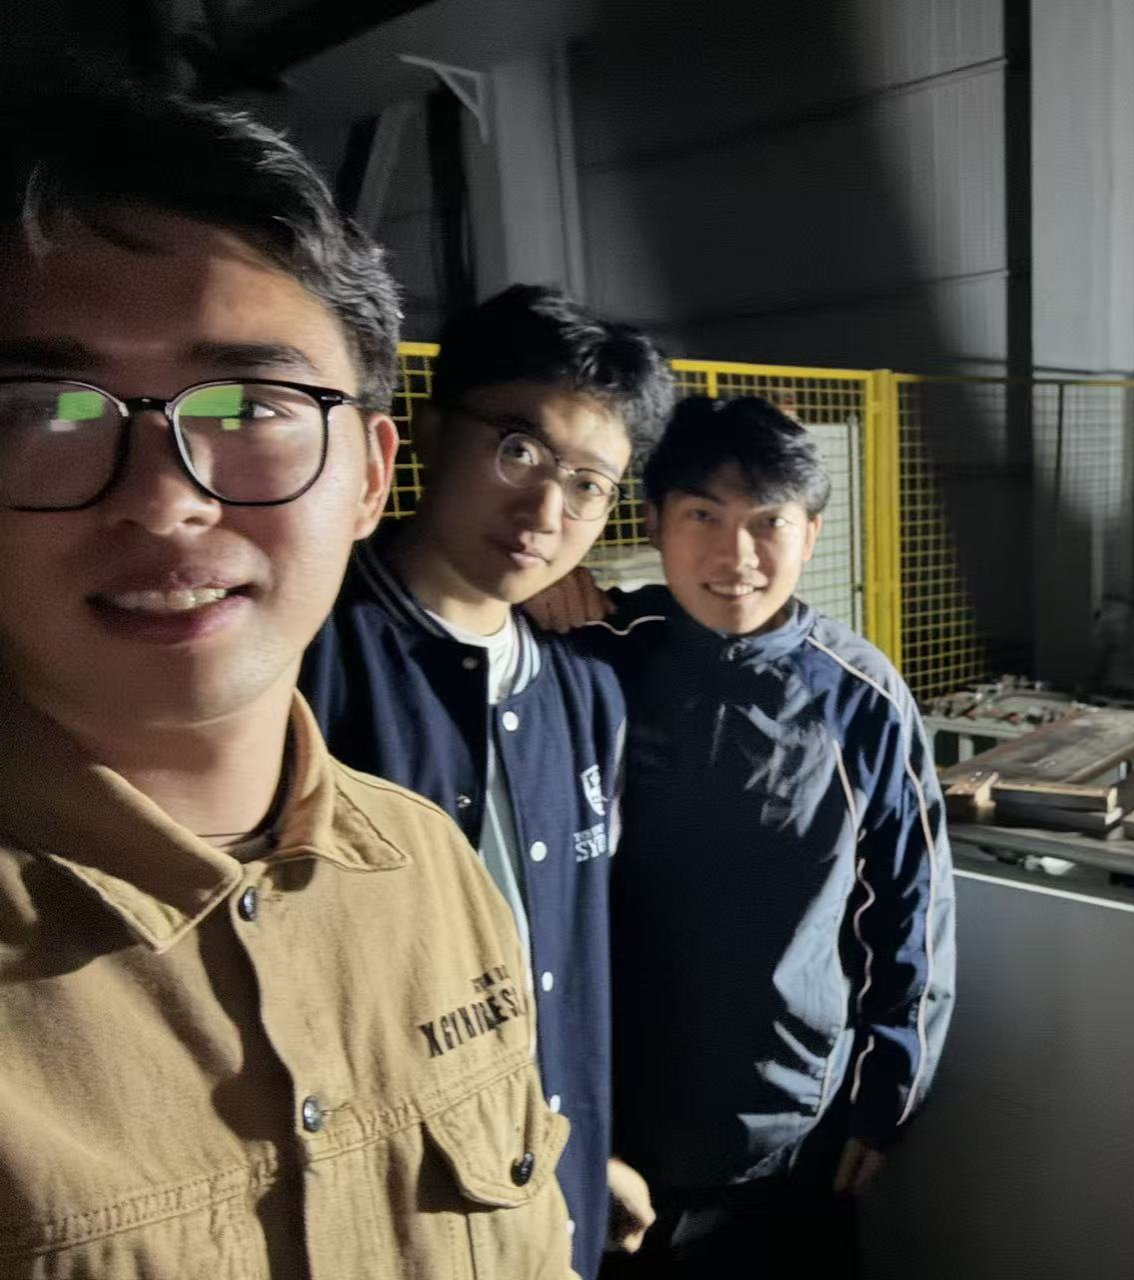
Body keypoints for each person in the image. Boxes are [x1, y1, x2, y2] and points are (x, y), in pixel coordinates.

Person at [0, 82, 577, 1277]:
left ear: (368, 475)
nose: (165, 499)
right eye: (50, 408)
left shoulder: (434, 871)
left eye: (248, 404)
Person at [532, 396, 957, 1278]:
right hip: (610, 1123)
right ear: (653, 522)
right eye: (703, 517)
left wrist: (888, 1096)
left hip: (794, 1125)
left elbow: (911, 907)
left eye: (769, 521)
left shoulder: (861, 696)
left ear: (811, 534)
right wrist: (521, 591)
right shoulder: (590, 656)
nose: (737, 557)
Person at [300, 284, 675, 1276]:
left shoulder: (585, 692)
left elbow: (565, 959)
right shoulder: (310, 663)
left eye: (588, 484)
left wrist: (585, 1150)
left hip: (548, 1188)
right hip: (384, 1218)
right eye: (518, 449)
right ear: (426, 433)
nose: (546, 511)